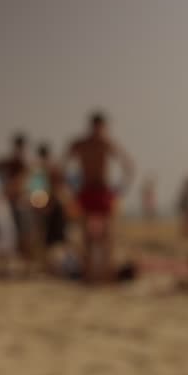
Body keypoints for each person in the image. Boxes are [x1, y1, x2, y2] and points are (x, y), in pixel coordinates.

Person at [67, 111, 134, 282]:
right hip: (86, 190)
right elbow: (63, 164)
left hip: (103, 191)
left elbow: (128, 165)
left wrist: (120, 188)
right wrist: (71, 187)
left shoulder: (107, 143)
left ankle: (108, 273)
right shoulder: (81, 144)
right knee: (86, 235)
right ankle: (88, 272)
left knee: (108, 234)